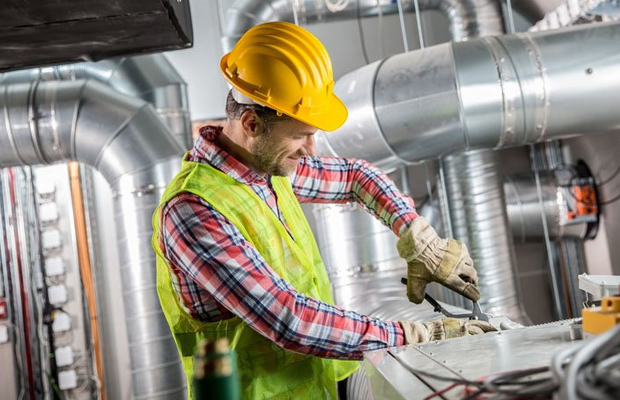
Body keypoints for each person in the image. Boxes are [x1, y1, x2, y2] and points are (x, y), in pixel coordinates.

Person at [151, 21, 495, 400]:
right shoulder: (194, 210)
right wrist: (417, 334)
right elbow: (288, 319)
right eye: (301, 135)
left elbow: (355, 176)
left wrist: (418, 236)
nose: (310, 149)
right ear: (251, 123)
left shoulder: (263, 170)